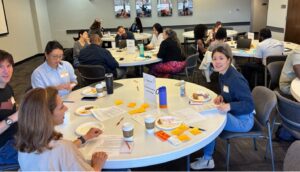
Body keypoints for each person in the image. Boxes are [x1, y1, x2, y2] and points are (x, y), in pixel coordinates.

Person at [190, 46, 255, 170]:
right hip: (235, 114)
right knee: (209, 115)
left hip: (243, 120)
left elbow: (249, 105)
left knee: (210, 121)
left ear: (229, 60)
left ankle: (208, 159)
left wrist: (229, 106)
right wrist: (221, 96)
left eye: (221, 58)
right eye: (214, 59)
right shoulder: (223, 73)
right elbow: (227, 91)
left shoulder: (235, 79)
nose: (217, 62)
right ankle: (206, 153)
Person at [16, 87, 107, 171]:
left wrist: (84, 138)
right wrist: (97, 165)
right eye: (61, 107)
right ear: (47, 116)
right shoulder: (63, 148)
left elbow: (57, 154)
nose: (66, 108)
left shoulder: (24, 147)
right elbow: (62, 151)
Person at [0, 50, 19, 170]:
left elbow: (11, 109)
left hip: (15, 137)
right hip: (3, 148)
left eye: (8, 65)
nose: (6, 71)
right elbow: (13, 117)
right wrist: (15, 117)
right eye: (0, 67)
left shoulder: (8, 87)